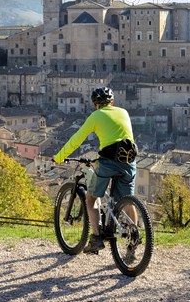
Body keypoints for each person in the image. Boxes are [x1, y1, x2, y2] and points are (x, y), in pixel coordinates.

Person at [52, 87, 138, 254]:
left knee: (91, 199)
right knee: (128, 201)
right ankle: (133, 241)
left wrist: (59, 157)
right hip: (129, 161)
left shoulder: (96, 116)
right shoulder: (124, 112)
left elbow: (76, 140)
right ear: (112, 102)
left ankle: (97, 239)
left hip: (108, 162)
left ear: (95, 104)